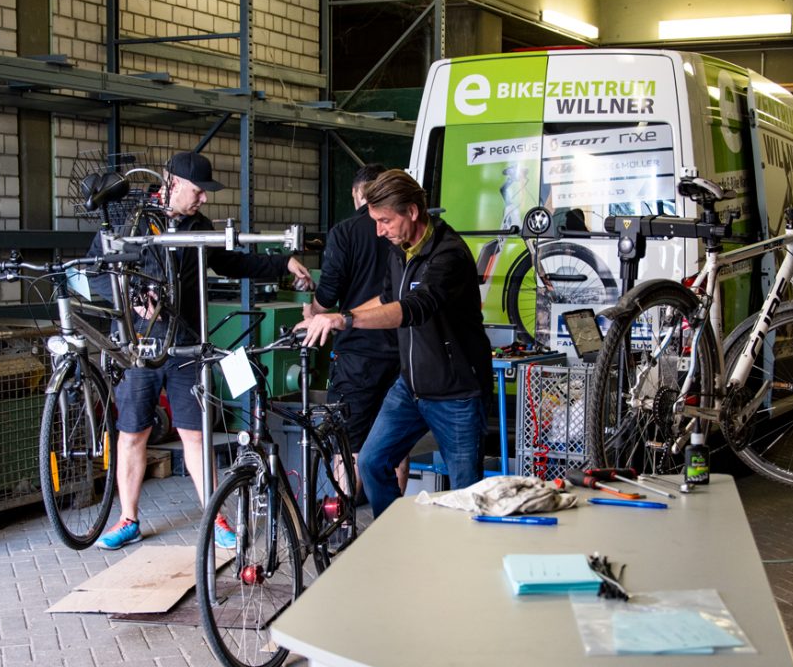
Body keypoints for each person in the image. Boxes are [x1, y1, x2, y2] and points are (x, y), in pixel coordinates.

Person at [92, 151, 313, 549]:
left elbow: (232, 262)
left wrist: (283, 263)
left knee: (195, 435)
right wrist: (131, 300)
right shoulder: (132, 219)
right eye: (198, 191)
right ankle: (128, 519)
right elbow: (97, 272)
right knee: (132, 432)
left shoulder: (199, 226)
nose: (204, 198)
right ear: (172, 183)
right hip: (139, 345)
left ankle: (217, 519)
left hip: (187, 345)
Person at [300, 169, 493, 518]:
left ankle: (465, 567)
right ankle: (394, 537)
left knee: (467, 497)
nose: (379, 230)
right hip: (411, 387)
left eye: (385, 220)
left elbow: (414, 309)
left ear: (413, 212)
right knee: (372, 462)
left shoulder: (448, 255)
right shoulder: (399, 249)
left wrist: (344, 319)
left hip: (457, 392)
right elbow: (387, 296)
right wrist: (331, 318)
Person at [304, 163, 406, 497]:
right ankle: (392, 526)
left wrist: (314, 312)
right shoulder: (406, 231)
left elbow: (328, 292)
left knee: (348, 445)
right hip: (402, 350)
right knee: (395, 442)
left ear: (356, 193)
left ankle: (344, 525)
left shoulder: (346, 231)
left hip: (357, 353)